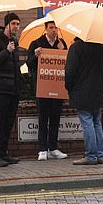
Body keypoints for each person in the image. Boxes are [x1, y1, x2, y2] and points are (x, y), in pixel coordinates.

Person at [27, 21, 69, 161]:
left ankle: (53, 147)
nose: (54, 30)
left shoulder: (61, 43)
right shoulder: (36, 43)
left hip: (57, 87)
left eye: (56, 28)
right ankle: (42, 149)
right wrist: (35, 55)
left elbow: (68, 63)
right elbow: (29, 63)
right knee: (43, 118)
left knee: (56, 118)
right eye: (51, 28)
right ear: (46, 29)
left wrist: (63, 51)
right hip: (42, 87)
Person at [65, 37, 103, 166]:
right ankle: (100, 154)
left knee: (87, 123)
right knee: (96, 122)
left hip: (81, 90)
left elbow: (70, 72)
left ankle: (91, 155)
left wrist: (69, 87)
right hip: (98, 90)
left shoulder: (76, 47)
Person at [0, 12, 24, 167]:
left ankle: (3, 152)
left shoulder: (14, 41)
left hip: (13, 89)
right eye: (13, 24)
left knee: (8, 123)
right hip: (1, 88)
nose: (16, 27)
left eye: (18, 24)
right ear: (7, 24)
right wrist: (6, 51)